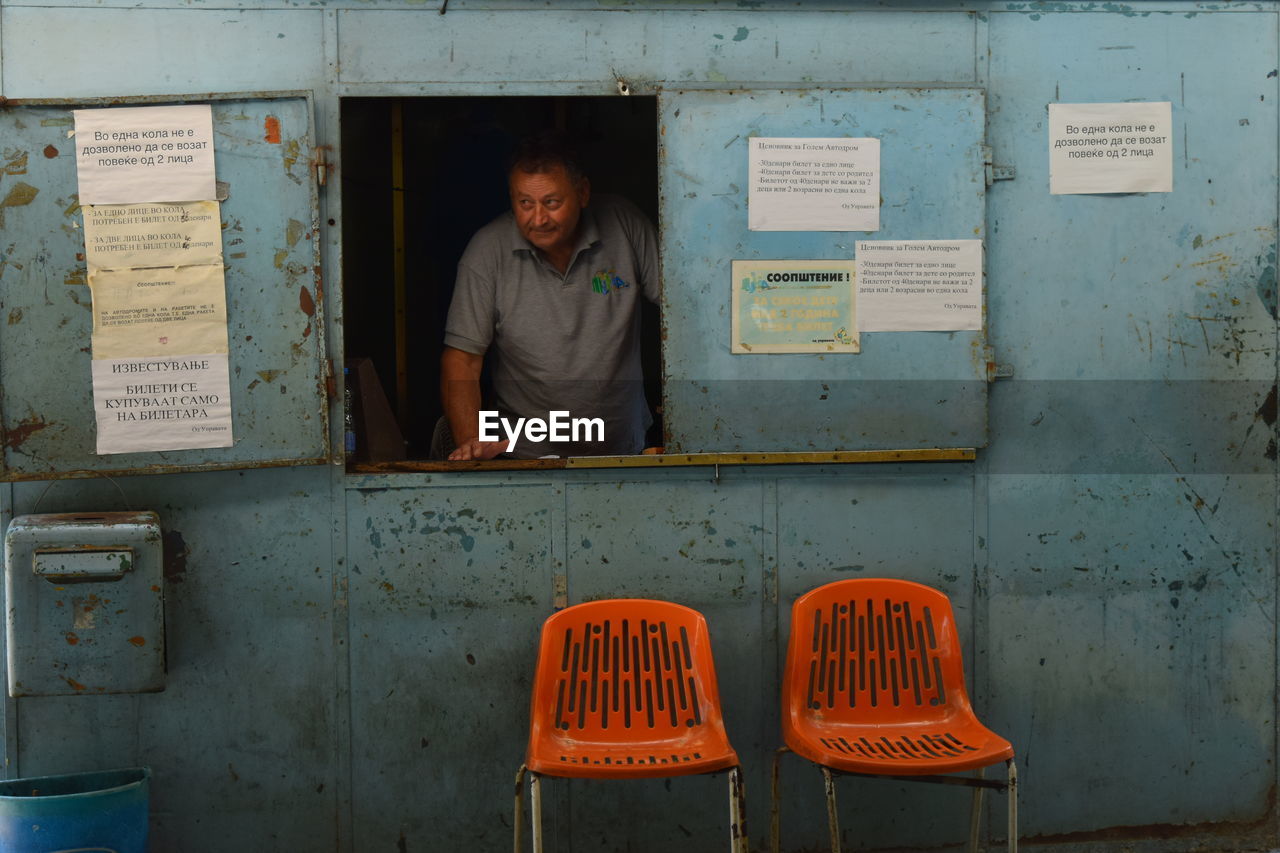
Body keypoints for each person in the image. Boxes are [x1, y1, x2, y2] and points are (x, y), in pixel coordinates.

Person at [440, 132, 660, 460]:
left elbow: (683, 312)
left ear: (583, 192)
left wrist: (688, 423)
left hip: (622, 448)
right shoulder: (487, 251)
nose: (538, 218)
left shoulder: (624, 224)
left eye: (552, 203)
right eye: (525, 203)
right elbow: (463, 359)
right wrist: (472, 441)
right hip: (522, 455)